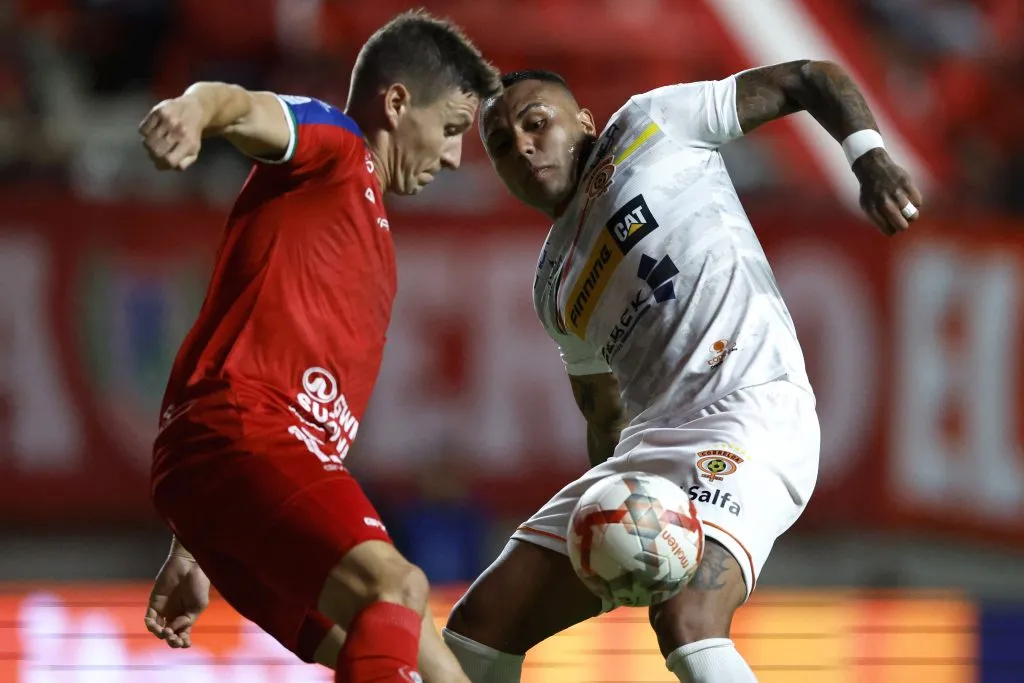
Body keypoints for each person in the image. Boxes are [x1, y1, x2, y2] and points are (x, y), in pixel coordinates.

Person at [442, 62, 923, 682]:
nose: (526, 145)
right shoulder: (553, 283)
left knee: (686, 617)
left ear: (583, 122)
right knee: (478, 626)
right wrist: (609, 514)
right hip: (649, 451)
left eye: (537, 123)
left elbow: (809, 77)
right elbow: (603, 413)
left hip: (748, 414)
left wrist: (868, 158)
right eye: (503, 145)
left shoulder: (652, 125)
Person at [137, 10, 499, 683]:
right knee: (397, 586)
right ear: (396, 102)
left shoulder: (367, 228)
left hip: (232, 476)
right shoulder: (337, 148)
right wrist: (191, 110)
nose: (454, 156)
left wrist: (195, 545)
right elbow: (238, 104)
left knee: (440, 672)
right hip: (245, 431)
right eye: (450, 130)